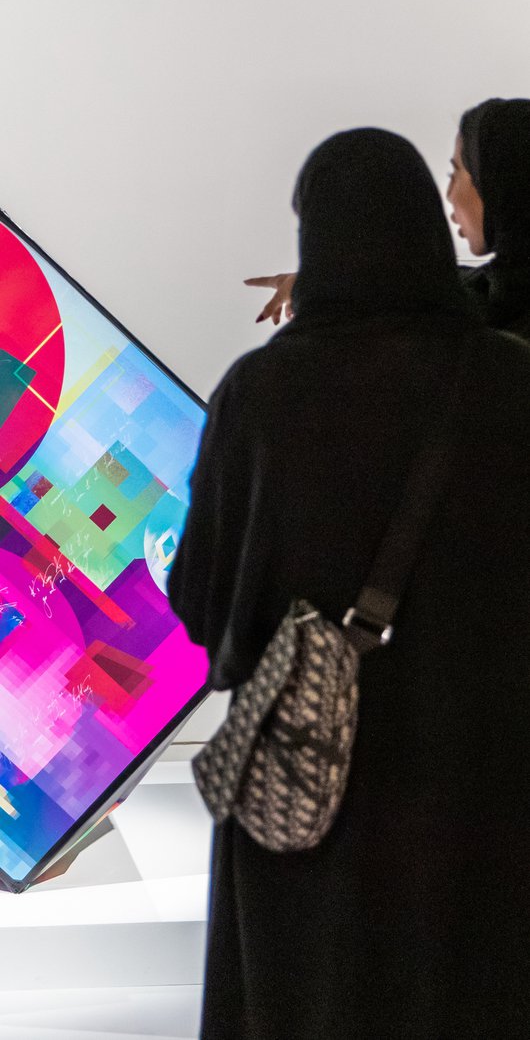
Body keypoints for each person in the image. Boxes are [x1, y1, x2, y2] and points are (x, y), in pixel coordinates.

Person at [169, 128, 530, 1038]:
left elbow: (204, 605)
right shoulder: (508, 382)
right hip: (482, 793)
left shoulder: (259, 394)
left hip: (306, 805)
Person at [248, 97, 530, 340]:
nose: (448, 194)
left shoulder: (493, 339)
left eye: (455, 173)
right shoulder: (499, 297)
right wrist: (328, 283)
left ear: (499, 182)